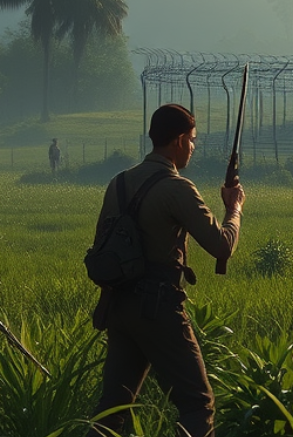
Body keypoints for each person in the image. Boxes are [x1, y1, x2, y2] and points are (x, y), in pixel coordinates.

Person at [86, 104, 244, 437]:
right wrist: (234, 209)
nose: (193, 147)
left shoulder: (118, 184)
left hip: (119, 307)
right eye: (193, 140)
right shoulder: (177, 188)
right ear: (179, 140)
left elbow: (105, 249)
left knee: (112, 408)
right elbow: (222, 246)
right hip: (158, 307)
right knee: (198, 405)